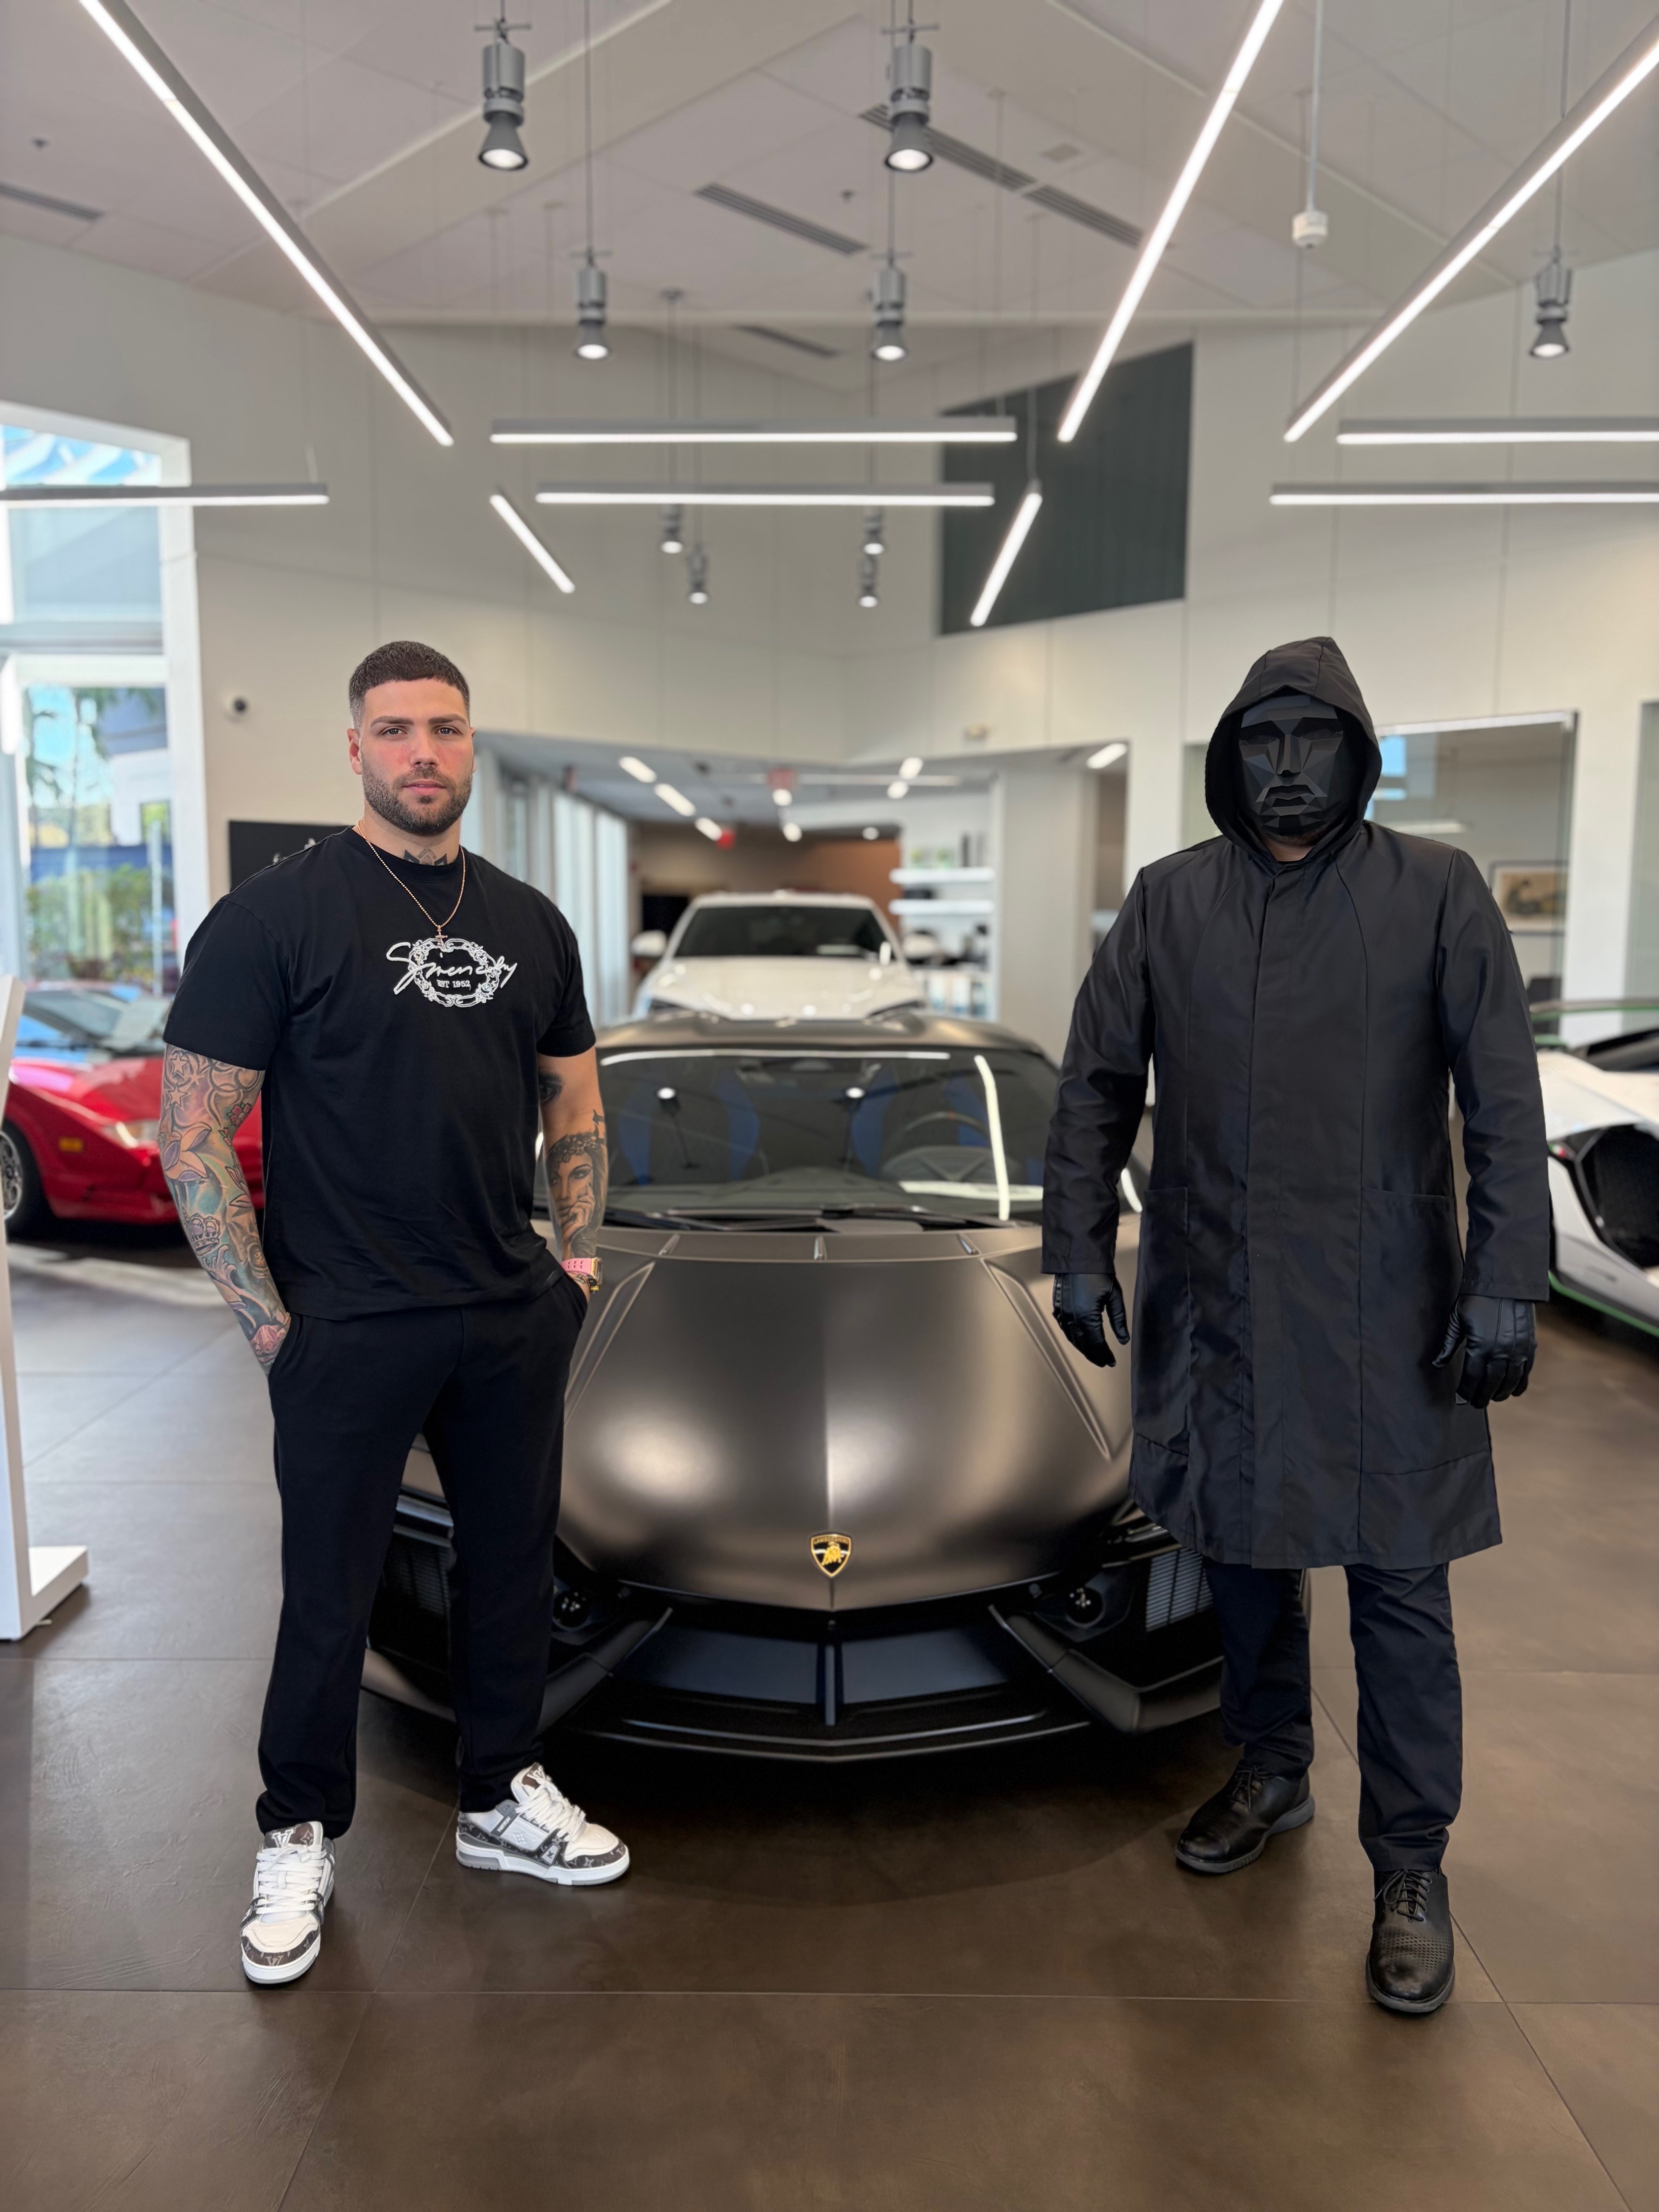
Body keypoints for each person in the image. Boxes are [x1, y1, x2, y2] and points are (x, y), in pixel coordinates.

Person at [1043, 637, 1548, 2015]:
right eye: (1258, 740)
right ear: (1227, 757)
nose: (1282, 766)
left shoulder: (1434, 893)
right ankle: (1270, 1768)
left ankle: (1410, 1865)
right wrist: (1074, 1246)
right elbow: (1094, 1084)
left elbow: (1502, 1099)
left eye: (1310, 739)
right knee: (1242, 1556)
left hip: (1390, 1306)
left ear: (1356, 753)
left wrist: (1506, 1275)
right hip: (1216, 1298)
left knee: (1398, 1586)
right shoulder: (1169, 902)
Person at [160, 639, 629, 1989]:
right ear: (354, 747)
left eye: (445, 728)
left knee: (510, 1568)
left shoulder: (531, 922)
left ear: (472, 745)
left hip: (505, 1308)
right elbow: (192, 1133)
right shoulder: (275, 917)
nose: (423, 751)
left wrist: (575, 1266)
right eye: (395, 729)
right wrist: (268, 1324)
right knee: (333, 1587)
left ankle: (499, 1793)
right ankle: (297, 1829)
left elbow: (574, 1098)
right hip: (345, 1319)